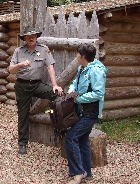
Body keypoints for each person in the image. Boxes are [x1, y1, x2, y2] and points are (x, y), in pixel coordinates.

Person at [8, 26, 64, 155]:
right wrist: (20, 64)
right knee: (23, 115)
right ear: (25, 39)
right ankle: (22, 143)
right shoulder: (18, 51)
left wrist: (55, 85)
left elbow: (50, 67)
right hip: (22, 86)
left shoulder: (44, 50)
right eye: (28, 36)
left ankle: (62, 127)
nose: (31, 38)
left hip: (37, 85)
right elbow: (11, 70)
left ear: (36, 37)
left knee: (58, 95)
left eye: (33, 36)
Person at [65, 43, 107, 184]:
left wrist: (79, 98)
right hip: (81, 111)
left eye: (77, 54)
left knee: (71, 137)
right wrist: (71, 90)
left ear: (83, 56)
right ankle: (87, 172)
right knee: (82, 140)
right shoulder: (81, 68)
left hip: (91, 112)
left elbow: (98, 93)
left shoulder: (96, 71)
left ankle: (78, 173)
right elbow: (75, 83)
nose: (76, 56)